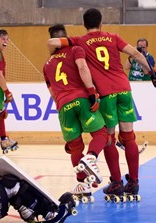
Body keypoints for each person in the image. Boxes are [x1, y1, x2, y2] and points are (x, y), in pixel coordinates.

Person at [47, 8, 156, 200]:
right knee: (129, 137)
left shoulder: (81, 41)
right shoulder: (113, 37)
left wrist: (60, 44)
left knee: (108, 138)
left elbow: (53, 42)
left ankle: (116, 183)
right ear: (101, 23)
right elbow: (135, 53)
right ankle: (133, 183)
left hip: (106, 94)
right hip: (124, 90)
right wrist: (152, 73)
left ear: (85, 25)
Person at [43, 24, 109, 203]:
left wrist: (62, 109)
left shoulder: (46, 65)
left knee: (75, 147)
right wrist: (91, 91)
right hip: (80, 98)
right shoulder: (75, 49)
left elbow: (52, 93)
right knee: (101, 134)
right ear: (65, 37)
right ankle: (91, 158)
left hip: (62, 105)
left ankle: (83, 186)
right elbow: (82, 68)